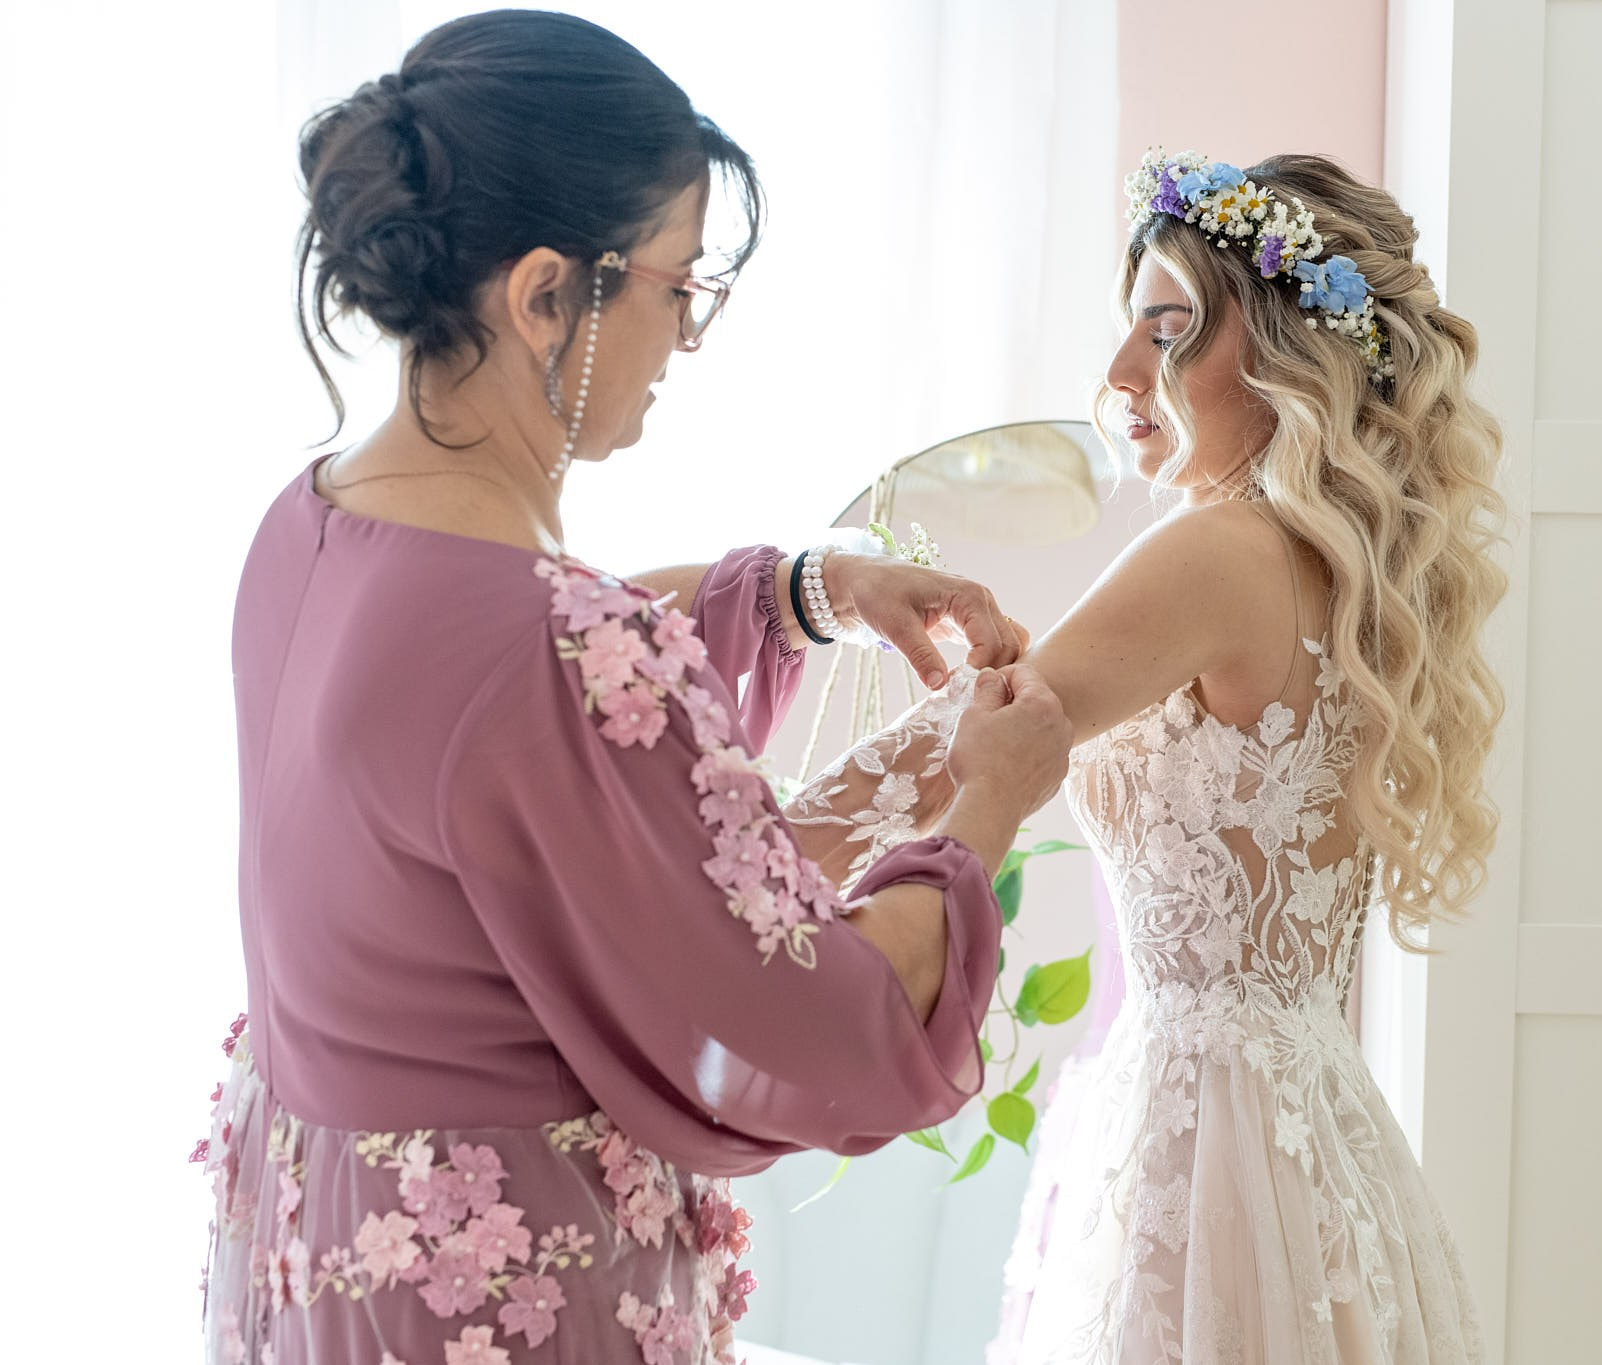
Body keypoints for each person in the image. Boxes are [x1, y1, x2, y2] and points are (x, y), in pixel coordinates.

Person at [195, 11, 1070, 1363]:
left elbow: (499, 720)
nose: (687, 338)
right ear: (546, 293)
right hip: (493, 1288)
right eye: (680, 286)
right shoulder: (540, 648)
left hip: (331, 1251)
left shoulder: (307, 525)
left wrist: (808, 590)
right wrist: (988, 805)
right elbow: (822, 1024)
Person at [788, 151, 1506, 1363]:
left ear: (1287, 353)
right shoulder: (1348, 570)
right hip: (1306, 1119)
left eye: (1168, 331)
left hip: (1209, 1130)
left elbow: (969, 741)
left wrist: (731, 850)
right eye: (1127, 326)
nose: (1119, 372)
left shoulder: (1218, 548)